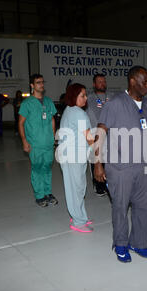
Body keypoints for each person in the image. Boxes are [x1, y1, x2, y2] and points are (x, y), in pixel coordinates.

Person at [94, 66, 147, 263]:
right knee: (120, 207)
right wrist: (98, 163)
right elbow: (100, 132)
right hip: (120, 168)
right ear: (132, 82)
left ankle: (138, 243)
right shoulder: (114, 103)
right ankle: (121, 244)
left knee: (144, 205)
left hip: (143, 166)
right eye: (144, 82)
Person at [57, 83, 94, 233]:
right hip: (73, 156)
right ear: (74, 96)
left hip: (70, 155)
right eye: (82, 95)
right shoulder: (78, 113)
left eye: (85, 95)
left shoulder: (69, 110)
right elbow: (89, 138)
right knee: (76, 189)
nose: (85, 98)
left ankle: (79, 216)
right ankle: (78, 222)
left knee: (77, 188)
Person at [19, 74, 58, 207]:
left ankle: (48, 193)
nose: (41, 85)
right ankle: (39, 195)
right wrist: (24, 141)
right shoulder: (27, 103)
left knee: (47, 167)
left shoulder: (48, 101)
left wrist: (53, 137)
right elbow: (20, 123)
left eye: (42, 82)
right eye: (38, 82)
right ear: (32, 85)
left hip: (47, 142)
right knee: (37, 169)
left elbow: (52, 119)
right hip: (34, 143)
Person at [85, 74, 111, 196]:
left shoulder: (111, 97)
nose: (103, 83)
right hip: (95, 133)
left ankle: (108, 183)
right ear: (94, 84)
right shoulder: (89, 99)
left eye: (104, 81)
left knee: (108, 160)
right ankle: (98, 185)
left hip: (110, 134)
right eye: (100, 82)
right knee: (96, 158)